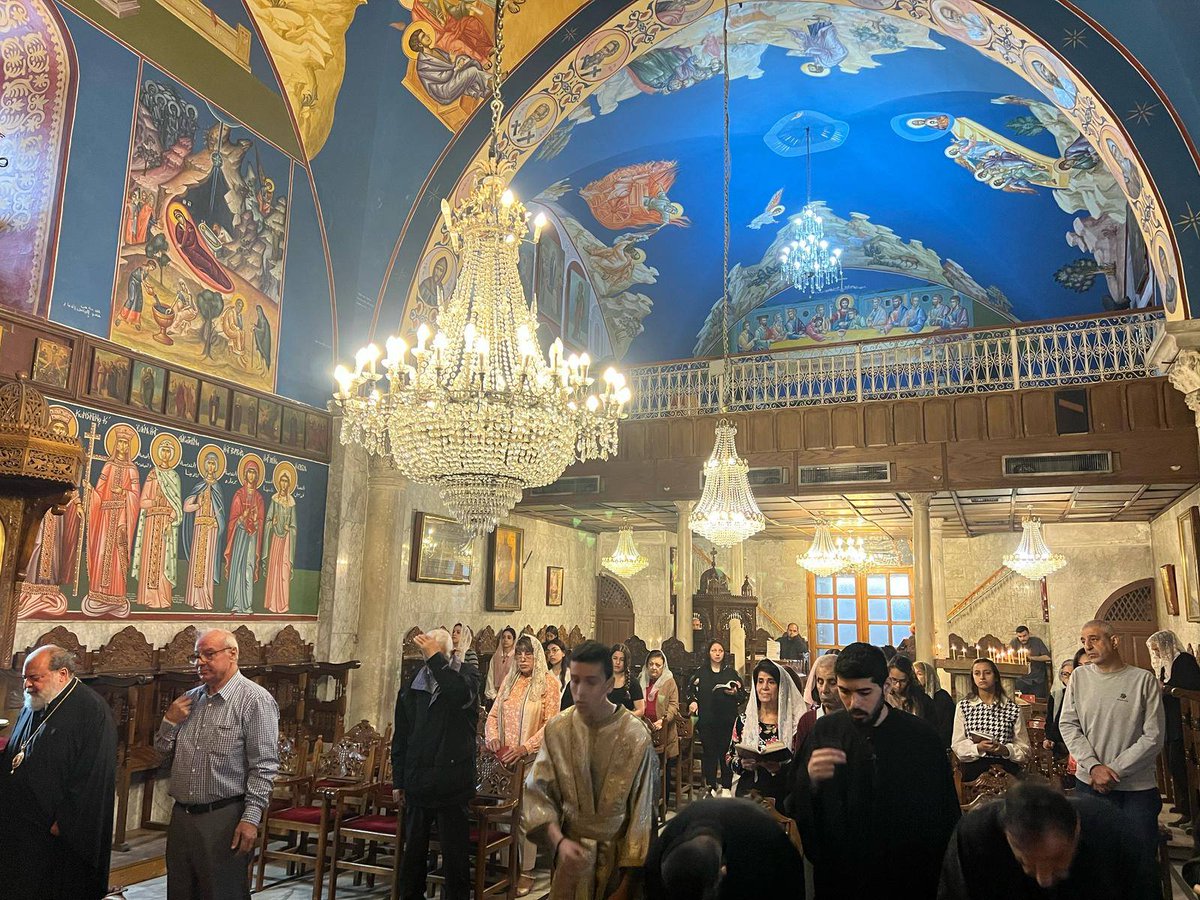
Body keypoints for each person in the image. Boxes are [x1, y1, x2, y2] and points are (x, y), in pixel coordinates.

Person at [788, 642, 959, 897]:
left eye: (864, 692)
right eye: (844, 691)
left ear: (886, 686)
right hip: (842, 878)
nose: (853, 702)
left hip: (906, 879)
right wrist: (810, 781)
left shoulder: (920, 738)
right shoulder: (825, 731)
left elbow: (943, 815)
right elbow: (798, 802)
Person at [522, 640, 657, 900]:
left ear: (609, 684)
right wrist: (559, 841)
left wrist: (626, 887)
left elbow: (643, 817)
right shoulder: (558, 729)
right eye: (574, 680)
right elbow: (538, 793)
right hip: (569, 860)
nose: (580, 691)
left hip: (617, 861)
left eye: (591, 682)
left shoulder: (636, 736)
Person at [155, 629, 280, 900]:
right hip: (182, 817)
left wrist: (250, 818)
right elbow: (162, 757)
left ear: (232, 654)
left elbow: (265, 766)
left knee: (222, 893)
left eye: (208, 654)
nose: (200, 661)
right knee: (180, 892)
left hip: (224, 817)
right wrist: (169, 722)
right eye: (196, 656)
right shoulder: (190, 699)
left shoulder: (254, 701)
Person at [0, 645, 117, 899]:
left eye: (35, 678)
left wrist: (66, 821)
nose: (27, 685)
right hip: (22, 825)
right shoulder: (35, 702)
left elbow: (93, 775)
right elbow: (16, 751)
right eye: (25, 678)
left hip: (56, 831)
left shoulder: (92, 711)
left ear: (62, 674)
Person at [938, 780, 1160, 898]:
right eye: (1026, 862)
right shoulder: (975, 836)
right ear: (1008, 836)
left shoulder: (1113, 833)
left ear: (1076, 830)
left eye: (1056, 860)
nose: (1043, 879)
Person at [1059, 619, 1164, 858]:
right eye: (1083, 641)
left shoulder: (1142, 680)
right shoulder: (1079, 678)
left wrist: (1113, 770)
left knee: (1139, 861)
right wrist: (1094, 766)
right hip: (1089, 784)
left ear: (1114, 641)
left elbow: (1154, 736)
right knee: (1095, 860)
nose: (1087, 646)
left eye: (1094, 639)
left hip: (1136, 788)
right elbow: (1068, 724)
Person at [392, 628, 479, 900]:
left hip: (452, 784)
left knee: (455, 859)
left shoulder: (466, 676)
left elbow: (456, 694)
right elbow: (402, 737)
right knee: (413, 855)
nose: (425, 656)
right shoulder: (412, 686)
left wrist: (437, 659)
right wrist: (399, 781)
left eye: (430, 651)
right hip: (418, 782)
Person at [485, 636, 561, 896]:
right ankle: (508, 870)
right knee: (504, 815)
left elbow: (550, 724)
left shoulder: (549, 683)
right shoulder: (510, 680)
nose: (523, 659)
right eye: (519, 654)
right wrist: (493, 736)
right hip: (505, 762)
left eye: (528, 654)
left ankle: (527, 872)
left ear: (537, 656)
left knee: (527, 817)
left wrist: (525, 748)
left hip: (532, 761)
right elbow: (493, 714)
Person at [644, 798, 805, 900]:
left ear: (723, 871)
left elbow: (793, 885)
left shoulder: (765, 841)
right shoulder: (663, 848)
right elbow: (653, 890)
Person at [728, 658, 803, 803]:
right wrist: (742, 764)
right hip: (747, 792)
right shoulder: (743, 721)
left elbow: (801, 765)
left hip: (781, 792)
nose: (764, 687)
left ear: (780, 687)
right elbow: (729, 757)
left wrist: (779, 768)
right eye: (760, 681)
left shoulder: (795, 724)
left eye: (771, 682)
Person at [1147, 629, 1200, 825]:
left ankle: (1192, 812)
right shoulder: (1165, 666)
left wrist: (1167, 689)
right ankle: (1185, 805)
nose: (1157, 654)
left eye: (1158, 650)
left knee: (1181, 766)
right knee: (1173, 765)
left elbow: (1193, 687)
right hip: (1170, 721)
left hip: (1183, 720)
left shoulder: (1183, 661)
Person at [951, 657, 1031, 780]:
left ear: (996, 676)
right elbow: (957, 744)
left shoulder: (1012, 708)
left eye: (987, 673)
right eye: (977, 673)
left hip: (1006, 770)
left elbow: (1024, 748)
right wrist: (978, 747)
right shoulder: (964, 706)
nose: (982, 677)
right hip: (974, 769)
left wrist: (1005, 750)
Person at [687, 640, 745, 797]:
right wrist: (693, 701)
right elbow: (689, 691)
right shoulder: (701, 672)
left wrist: (735, 693)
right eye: (714, 650)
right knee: (709, 753)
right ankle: (711, 785)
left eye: (720, 650)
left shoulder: (731, 673)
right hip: (707, 719)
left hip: (726, 719)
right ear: (709, 653)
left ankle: (726, 785)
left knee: (725, 752)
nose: (717, 653)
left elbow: (742, 694)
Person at [640, 650, 680, 803]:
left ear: (663, 666)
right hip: (644, 730)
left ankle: (662, 799)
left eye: (658, 665)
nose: (654, 668)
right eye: (651, 664)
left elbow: (673, 705)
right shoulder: (641, 680)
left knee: (664, 766)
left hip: (664, 732)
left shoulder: (669, 682)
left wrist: (663, 720)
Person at [795, 653, 842, 750]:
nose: (824, 689)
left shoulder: (854, 719)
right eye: (820, 682)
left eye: (832, 683)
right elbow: (800, 763)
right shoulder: (807, 721)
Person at [914, 661, 955, 747]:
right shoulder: (913, 697)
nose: (915, 677)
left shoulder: (942, 697)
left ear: (928, 676)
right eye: (913, 674)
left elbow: (947, 726)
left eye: (919, 674)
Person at [1042, 657, 1076, 760]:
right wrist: (1048, 738)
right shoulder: (1056, 695)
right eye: (1065, 674)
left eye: (1072, 674)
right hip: (1058, 746)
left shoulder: (1082, 694)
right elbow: (1050, 719)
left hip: (1074, 745)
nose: (1068, 678)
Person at [886, 654, 936, 724]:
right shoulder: (882, 698)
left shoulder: (922, 700)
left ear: (909, 679)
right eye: (894, 680)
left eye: (903, 681)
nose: (898, 685)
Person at [1011, 625, 1053, 699]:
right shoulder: (1014, 642)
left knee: (1038, 699)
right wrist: (1020, 658)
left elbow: (1047, 657)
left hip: (1037, 678)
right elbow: (1010, 657)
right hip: (1021, 678)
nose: (1022, 638)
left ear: (1028, 634)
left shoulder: (1037, 641)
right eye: (1020, 636)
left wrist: (1031, 658)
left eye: (1024, 635)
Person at [486, 625, 517, 702]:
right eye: (503, 637)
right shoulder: (495, 657)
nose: (505, 640)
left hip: (511, 696)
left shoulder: (516, 658)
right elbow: (490, 678)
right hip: (495, 696)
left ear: (514, 641)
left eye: (509, 637)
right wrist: (494, 696)